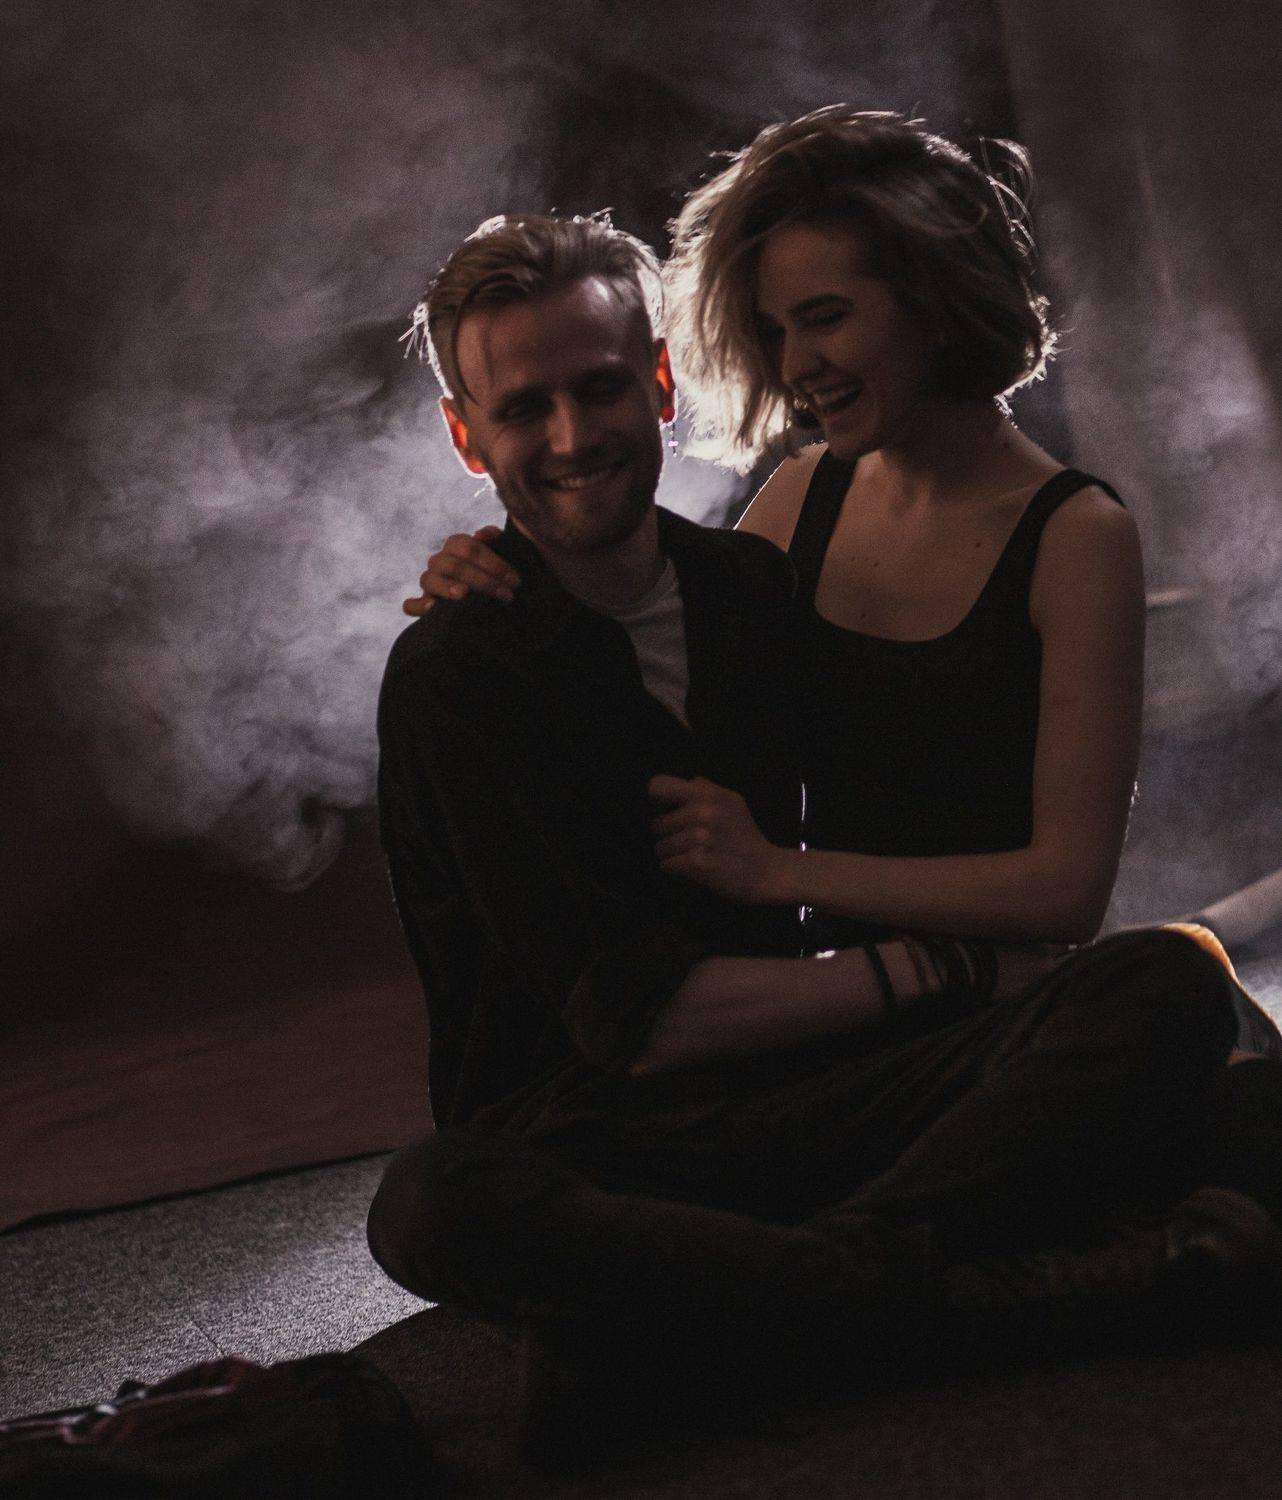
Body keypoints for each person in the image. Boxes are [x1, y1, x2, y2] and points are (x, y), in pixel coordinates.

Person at [369, 207, 1278, 1460]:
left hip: (803, 1100)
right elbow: (644, 1025)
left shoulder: (749, 587)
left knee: (1166, 986)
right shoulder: (459, 675)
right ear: (468, 439)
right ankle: (962, 1299)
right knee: (433, 1203)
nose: (572, 438)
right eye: (524, 409)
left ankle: (741, 1316)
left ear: (661, 386)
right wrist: (941, 971)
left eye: (599, 388)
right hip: (601, 1146)